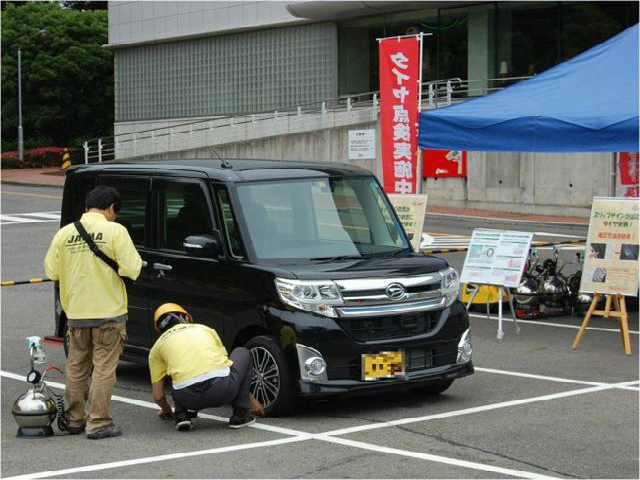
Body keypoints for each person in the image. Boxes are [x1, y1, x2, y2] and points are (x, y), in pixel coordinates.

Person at [44, 186, 142, 440]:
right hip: (108, 313)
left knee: (77, 366)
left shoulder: (65, 233)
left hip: (76, 313)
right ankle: (99, 422)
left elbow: (52, 272)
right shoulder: (115, 231)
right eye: (114, 212)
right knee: (103, 368)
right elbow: (132, 269)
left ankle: (75, 419)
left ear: (88, 206)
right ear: (111, 207)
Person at [148, 303, 265, 431]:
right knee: (242, 351)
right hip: (222, 391)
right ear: (186, 318)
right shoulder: (204, 329)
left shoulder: (157, 348)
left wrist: (167, 411)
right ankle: (241, 415)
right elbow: (226, 366)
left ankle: (181, 415)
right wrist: (251, 400)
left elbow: (158, 395)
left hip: (187, 398)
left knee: (175, 371)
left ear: (159, 328)